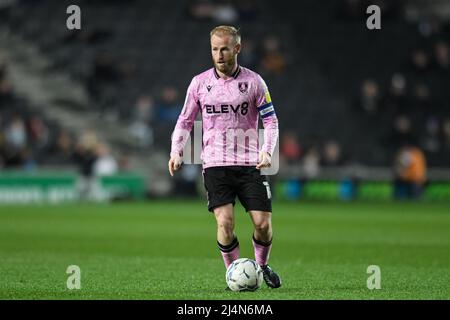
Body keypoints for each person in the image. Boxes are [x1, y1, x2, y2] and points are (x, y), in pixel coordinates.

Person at [168, 26, 281, 289]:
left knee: (263, 225)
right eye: (214, 49)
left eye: (224, 49)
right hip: (215, 163)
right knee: (225, 222)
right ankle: (234, 274)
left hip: (250, 163)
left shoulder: (254, 82)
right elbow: (185, 120)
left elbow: (271, 119)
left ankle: (261, 266)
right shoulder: (199, 83)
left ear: (237, 49)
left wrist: (267, 149)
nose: (219, 54)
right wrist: (176, 151)